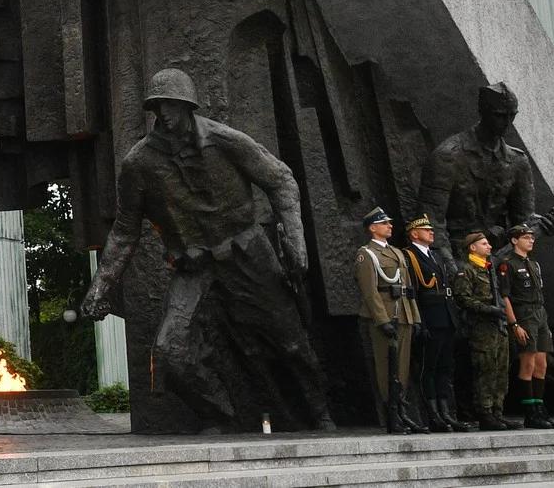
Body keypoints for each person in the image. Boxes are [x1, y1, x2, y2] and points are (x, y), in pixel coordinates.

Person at [82, 68, 334, 432]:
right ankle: (223, 416)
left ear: (189, 106)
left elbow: (279, 179)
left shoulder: (224, 140)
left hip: (247, 252)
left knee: (291, 341)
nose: (165, 114)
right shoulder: (139, 164)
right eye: (158, 106)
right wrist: (100, 288)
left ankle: (319, 411)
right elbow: (125, 231)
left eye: (172, 105)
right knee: (170, 352)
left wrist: (295, 239)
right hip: (194, 266)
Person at [419, 82, 554, 268]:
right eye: (500, 116)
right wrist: (452, 269)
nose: (507, 123)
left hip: (499, 262)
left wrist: (546, 224)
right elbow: (430, 221)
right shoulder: (448, 156)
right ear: (483, 111)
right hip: (458, 259)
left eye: (512, 116)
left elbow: (523, 222)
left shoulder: (518, 162)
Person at [355, 207, 425, 434]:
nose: (390, 226)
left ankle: (402, 411)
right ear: (372, 228)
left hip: (402, 313)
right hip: (385, 316)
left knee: (402, 367)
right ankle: (392, 415)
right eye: (384, 223)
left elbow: (407, 289)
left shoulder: (397, 252)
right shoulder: (367, 254)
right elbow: (370, 291)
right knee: (387, 367)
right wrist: (382, 319)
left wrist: (415, 317)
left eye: (389, 223)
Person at [403, 214, 469, 432]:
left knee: (445, 367)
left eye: (432, 229)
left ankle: (446, 412)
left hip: (446, 317)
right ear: (414, 233)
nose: (431, 232)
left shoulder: (436, 256)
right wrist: (419, 321)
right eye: (426, 229)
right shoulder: (409, 256)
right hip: (430, 318)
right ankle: (432, 414)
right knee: (428, 368)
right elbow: (414, 292)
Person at [497, 224, 554, 429]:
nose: (531, 241)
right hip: (523, 314)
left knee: (541, 364)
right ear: (515, 240)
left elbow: (539, 295)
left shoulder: (534, 264)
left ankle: (539, 407)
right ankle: (529, 412)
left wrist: (545, 321)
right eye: (526, 238)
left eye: (532, 238)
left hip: (539, 314)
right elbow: (505, 296)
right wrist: (514, 323)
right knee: (528, 364)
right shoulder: (508, 264)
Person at [453, 231, 517, 430]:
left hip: (498, 327)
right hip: (481, 328)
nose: (489, 247)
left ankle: (498, 411)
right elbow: (463, 299)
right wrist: (489, 309)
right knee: (485, 371)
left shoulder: (489, 269)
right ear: (473, 247)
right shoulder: (467, 270)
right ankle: (485, 412)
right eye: (484, 244)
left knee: (500, 371)